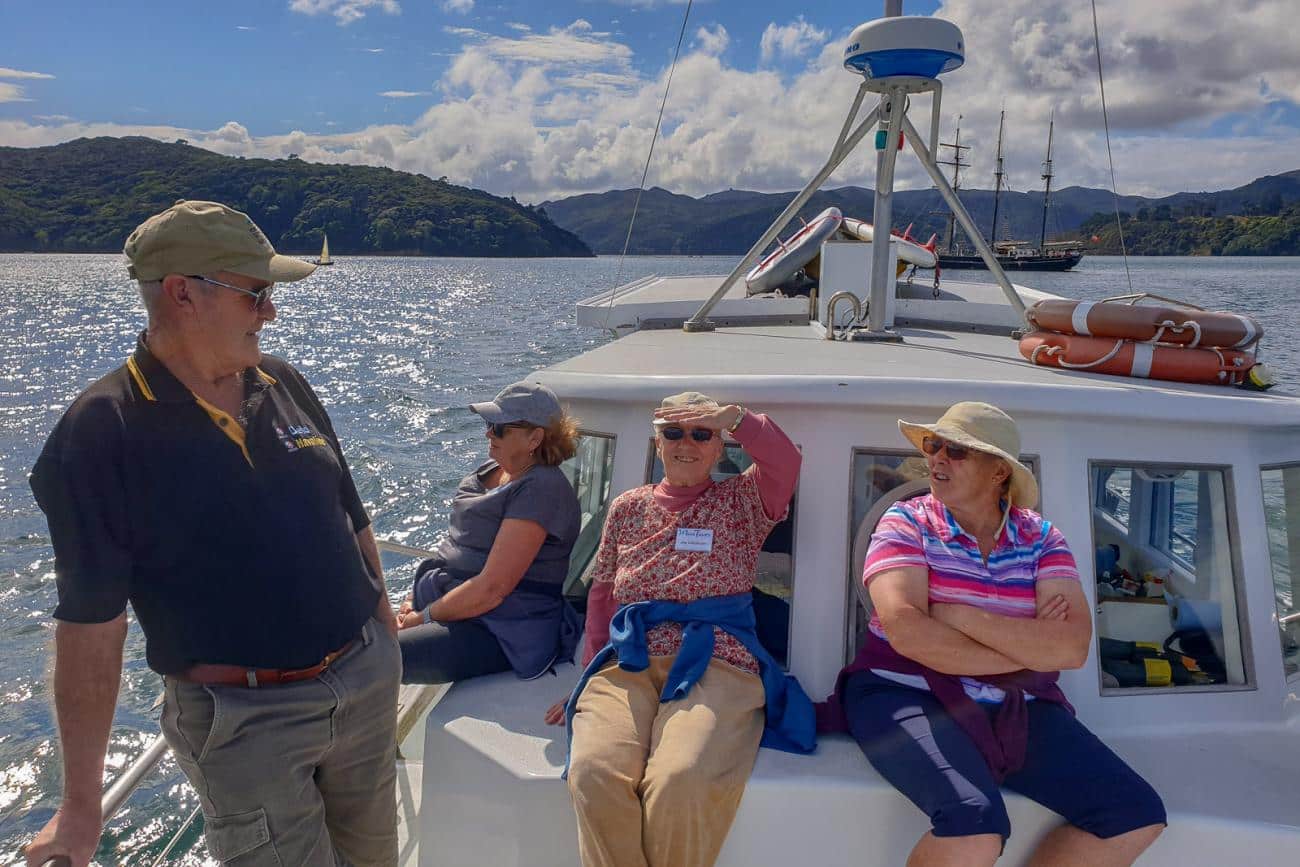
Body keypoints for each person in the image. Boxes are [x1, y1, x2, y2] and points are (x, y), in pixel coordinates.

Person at [24, 201, 400, 867]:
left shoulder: (282, 381)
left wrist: (382, 636)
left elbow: (350, 510)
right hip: (248, 724)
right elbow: (91, 625)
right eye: (257, 294)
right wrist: (82, 803)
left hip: (363, 684)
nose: (271, 314)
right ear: (182, 293)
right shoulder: (103, 430)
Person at [823, 401, 1165, 867]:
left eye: (956, 451)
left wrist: (960, 617)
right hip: (903, 691)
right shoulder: (907, 523)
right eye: (933, 445)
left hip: (1014, 704)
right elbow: (908, 634)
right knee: (973, 825)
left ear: (998, 472)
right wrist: (1027, 652)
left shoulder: (1042, 538)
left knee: (1135, 814)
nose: (937, 459)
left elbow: (1070, 647)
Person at [550, 392, 815, 867]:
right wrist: (587, 674)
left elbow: (785, 460)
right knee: (594, 771)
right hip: (628, 661)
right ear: (658, 445)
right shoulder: (627, 507)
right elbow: (603, 595)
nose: (686, 443)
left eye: (701, 433)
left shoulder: (742, 502)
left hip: (716, 661)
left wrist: (734, 417)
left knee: (681, 777)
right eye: (673, 433)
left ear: (720, 448)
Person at [397, 382, 582, 682]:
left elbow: (492, 589)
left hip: (502, 626)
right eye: (488, 424)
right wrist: (412, 600)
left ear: (535, 438)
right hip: (454, 604)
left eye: (499, 428)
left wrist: (422, 617)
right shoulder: (490, 470)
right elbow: (455, 547)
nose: (488, 433)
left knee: (376, 661)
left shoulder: (542, 489)